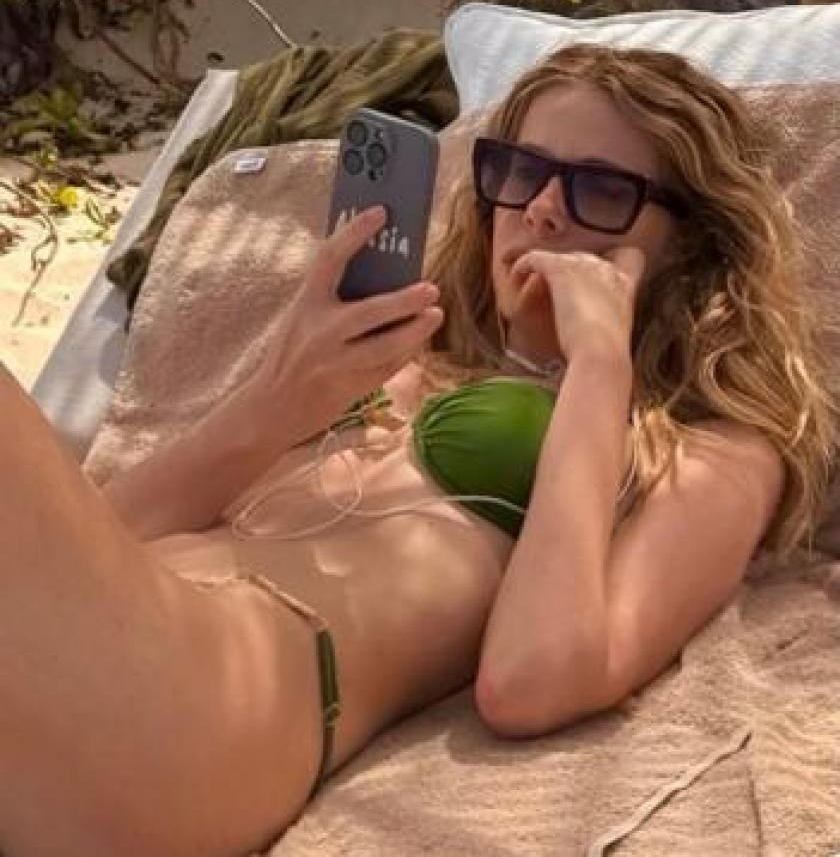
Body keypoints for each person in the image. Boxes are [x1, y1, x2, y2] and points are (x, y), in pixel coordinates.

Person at [0, 44, 834, 857]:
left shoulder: (712, 446)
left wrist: (599, 365)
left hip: (201, 710)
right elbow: (104, 536)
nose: (542, 209)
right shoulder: (406, 357)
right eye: (521, 171)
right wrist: (279, 395)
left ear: (688, 243)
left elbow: (532, 679)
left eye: (602, 190)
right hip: (97, 654)